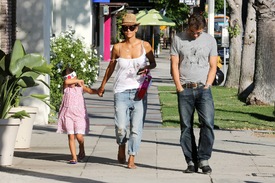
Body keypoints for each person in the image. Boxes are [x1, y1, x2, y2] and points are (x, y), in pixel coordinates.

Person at [97, 13, 156, 169]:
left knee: (136, 128)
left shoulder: (145, 45)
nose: (128, 30)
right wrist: (102, 85)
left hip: (139, 92)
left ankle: (132, 157)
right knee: (121, 127)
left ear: (136, 28)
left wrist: (146, 68)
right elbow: (111, 67)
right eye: (125, 28)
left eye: (131, 27)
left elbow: (153, 63)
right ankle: (121, 145)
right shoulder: (117, 47)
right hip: (121, 91)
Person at [170, 13, 218, 174]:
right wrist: (179, 87)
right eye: (193, 32)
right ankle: (191, 161)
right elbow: (174, 64)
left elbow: (213, 65)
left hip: (203, 89)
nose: (196, 35)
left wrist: (208, 84)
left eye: (199, 32)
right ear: (187, 27)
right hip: (185, 88)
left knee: (208, 124)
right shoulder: (178, 39)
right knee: (186, 127)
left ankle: (203, 159)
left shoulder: (210, 40)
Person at [57, 68, 98, 164]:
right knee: (71, 136)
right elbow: (67, 81)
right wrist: (78, 80)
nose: (72, 81)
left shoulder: (80, 88)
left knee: (79, 136)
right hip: (68, 115)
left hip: (79, 115)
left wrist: (98, 91)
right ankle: (74, 157)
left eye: (73, 77)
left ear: (76, 76)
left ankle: (81, 147)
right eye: (70, 78)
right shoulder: (66, 88)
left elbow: (90, 91)